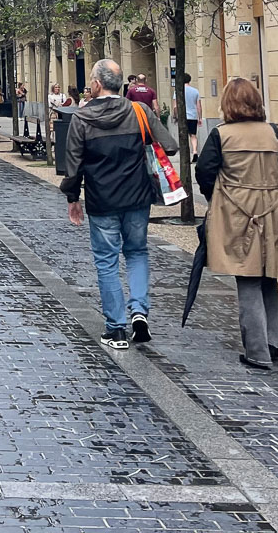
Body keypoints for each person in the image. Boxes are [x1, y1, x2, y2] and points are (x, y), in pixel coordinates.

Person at [61, 59, 177, 349]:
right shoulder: (139, 111)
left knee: (107, 261)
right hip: (137, 197)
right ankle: (139, 311)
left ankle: (116, 329)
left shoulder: (82, 118)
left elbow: (73, 164)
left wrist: (73, 198)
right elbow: (171, 145)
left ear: (98, 85)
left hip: (103, 199)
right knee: (137, 252)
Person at [195, 77, 278, 370]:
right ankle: (272, 342)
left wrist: (218, 197)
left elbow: (204, 172)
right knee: (268, 277)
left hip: (237, 214)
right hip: (274, 213)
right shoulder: (276, 133)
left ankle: (257, 351)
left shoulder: (222, 135)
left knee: (247, 278)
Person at [183, 74, 202, 155]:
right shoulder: (195, 91)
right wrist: (200, 117)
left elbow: (175, 106)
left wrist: (175, 116)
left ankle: (185, 153)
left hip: (183, 117)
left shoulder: (178, 91)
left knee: (183, 136)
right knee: (193, 135)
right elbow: (198, 106)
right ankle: (194, 151)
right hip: (193, 116)